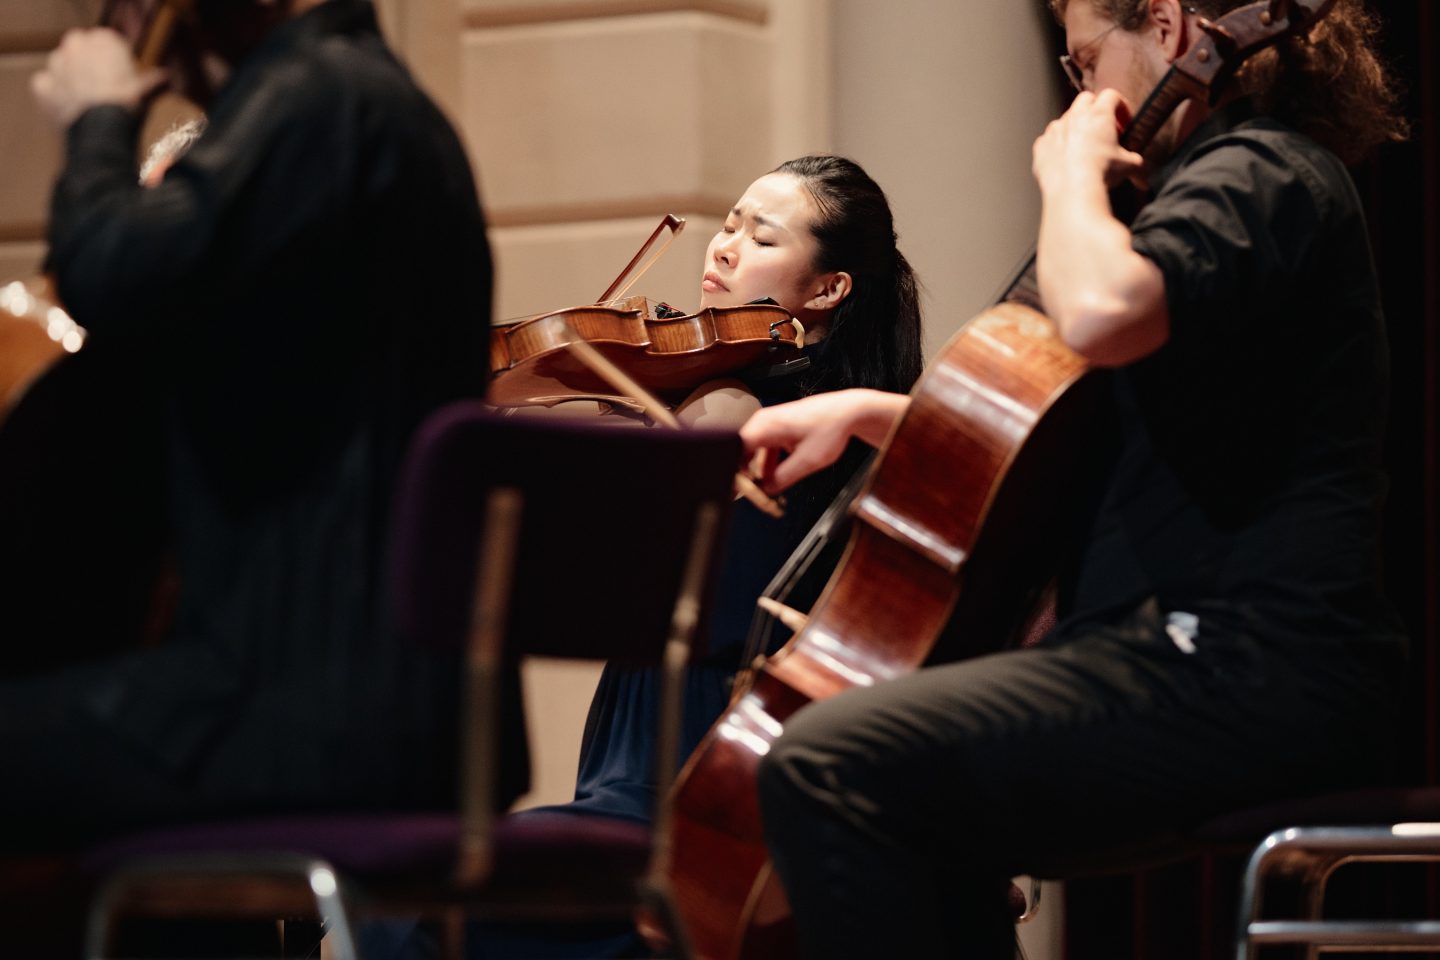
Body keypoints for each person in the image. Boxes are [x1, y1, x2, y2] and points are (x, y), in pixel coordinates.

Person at [739, 0, 1410, 955]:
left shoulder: (1260, 169)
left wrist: (1067, 178)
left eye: (1088, 59)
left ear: (1169, 29)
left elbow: (1099, 315)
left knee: (829, 764)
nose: (1082, 91)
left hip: (1251, 665)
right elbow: (1073, 435)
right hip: (1202, 662)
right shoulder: (1214, 190)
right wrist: (865, 416)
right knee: (911, 811)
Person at [2, 0, 491, 942]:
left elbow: (110, 274)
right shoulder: (382, 108)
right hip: (366, 705)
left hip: (300, 711)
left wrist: (100, 117)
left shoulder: (317, 99)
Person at [562, 155, 926, 824]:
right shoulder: (716, 388)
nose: (726, 249)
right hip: (645, 711)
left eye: (761, 239)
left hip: (703, 730)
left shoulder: (793, 412)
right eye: (729, 227)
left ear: (827, 291)